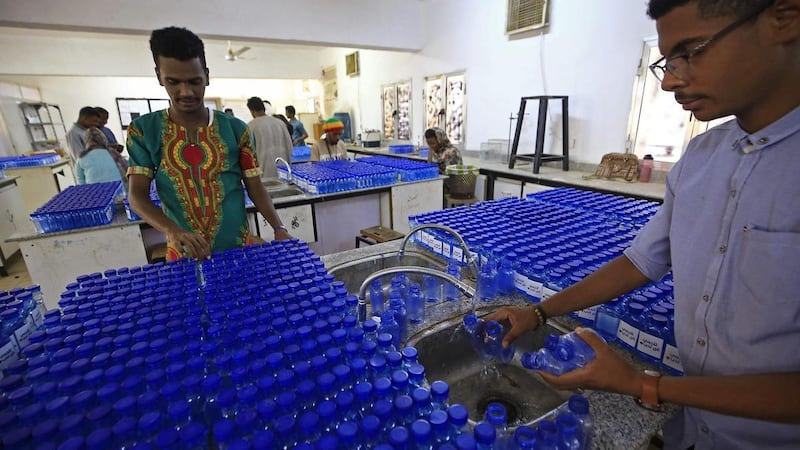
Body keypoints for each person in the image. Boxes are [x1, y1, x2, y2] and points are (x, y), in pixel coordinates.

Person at [487, 0, 800, 448]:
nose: (672, 80)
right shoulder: (701, 158)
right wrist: (537, 311)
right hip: (695, 429)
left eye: (692, 51)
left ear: (783, 20)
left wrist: (644, 385)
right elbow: (639, 262)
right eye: (666, 61)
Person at [126, 26, 291, 261]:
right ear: (159, 77)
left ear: (207, 75)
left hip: (239, 250)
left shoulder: (235, 129)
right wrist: (174, 231)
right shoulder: (144, 131)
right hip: (184, 255)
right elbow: (137, 197)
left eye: (195, 81)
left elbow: (254, 186)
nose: (186, 92)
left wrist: (279, 228)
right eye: (173, 82)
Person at [246, 96, 292, 180]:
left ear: (252, 111)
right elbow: (289, 146)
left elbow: (249, 153)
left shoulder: (251, 126)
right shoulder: (280, 123)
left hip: (264, 172)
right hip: (284, 170)